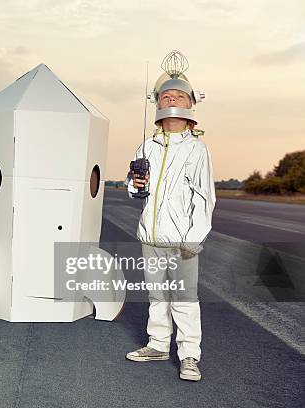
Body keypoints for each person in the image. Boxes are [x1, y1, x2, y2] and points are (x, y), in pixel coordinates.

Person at [124, 53, 215, 381]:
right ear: (157, 103)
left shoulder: (196, 149)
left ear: (190, 103)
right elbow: (134, 190)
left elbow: (206, 197)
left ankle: (189, 354)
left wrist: (194, 238)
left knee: (185, 298)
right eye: (166, 95)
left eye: (178, 95)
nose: (171, 98)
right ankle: (158, 344)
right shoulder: (146, 147)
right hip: (151, 237)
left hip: (182, 241)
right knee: (157, 296)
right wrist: (136, 185)